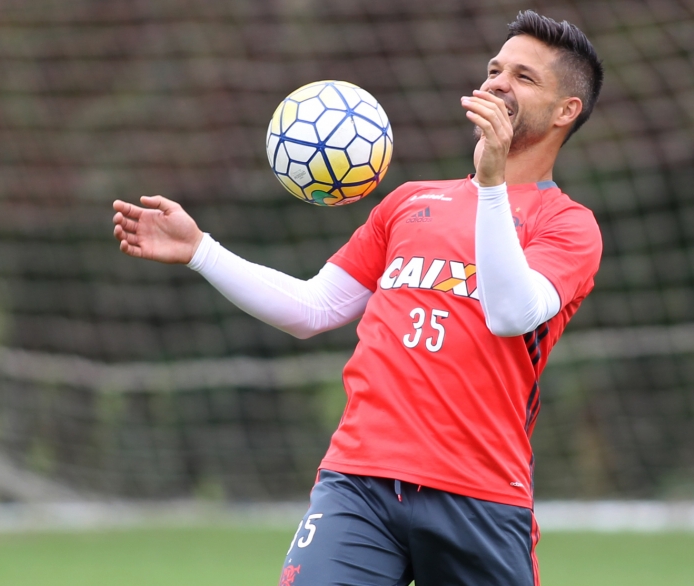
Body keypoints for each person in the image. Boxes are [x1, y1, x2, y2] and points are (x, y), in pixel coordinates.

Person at [112, 10, 603, 586]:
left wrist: (492, 185)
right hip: (358, 482)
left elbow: (509, 313)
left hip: (481, 495)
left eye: (524, 77)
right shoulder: (408, 203)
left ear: (566, 111)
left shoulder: (568, 225)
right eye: (494, 69)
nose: (496, 82)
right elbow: (312, 310)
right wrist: (201, 250)